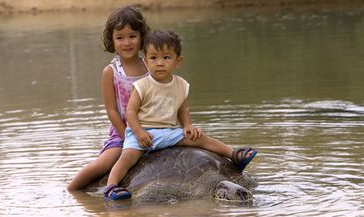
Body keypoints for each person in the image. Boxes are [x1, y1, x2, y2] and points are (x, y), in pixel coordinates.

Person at [103, 30, 257, 200]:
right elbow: (130, 112)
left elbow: (183, 110)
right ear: (146, 62)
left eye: (166, 58)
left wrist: (188, 126)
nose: (160, 63)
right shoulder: (141, 85)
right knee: (127, 158)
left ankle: (233, 154)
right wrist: (138, 132)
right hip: (143, 132)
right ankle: (111, 186)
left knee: (201, 139)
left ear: (178, 61)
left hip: (169, 132)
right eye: (154, 58)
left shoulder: (181, 85)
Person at [67, 6, 150, 191]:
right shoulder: (111, 72)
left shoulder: (151, 66)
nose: (126, 42)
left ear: (142, 37)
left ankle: (229, 153)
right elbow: (112, 110)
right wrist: (128, 137)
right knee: (104, 163)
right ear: (112, 41)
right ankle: (72, 190)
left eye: (132, 36)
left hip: (154, 128)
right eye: (120, 37)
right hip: (123, 133)